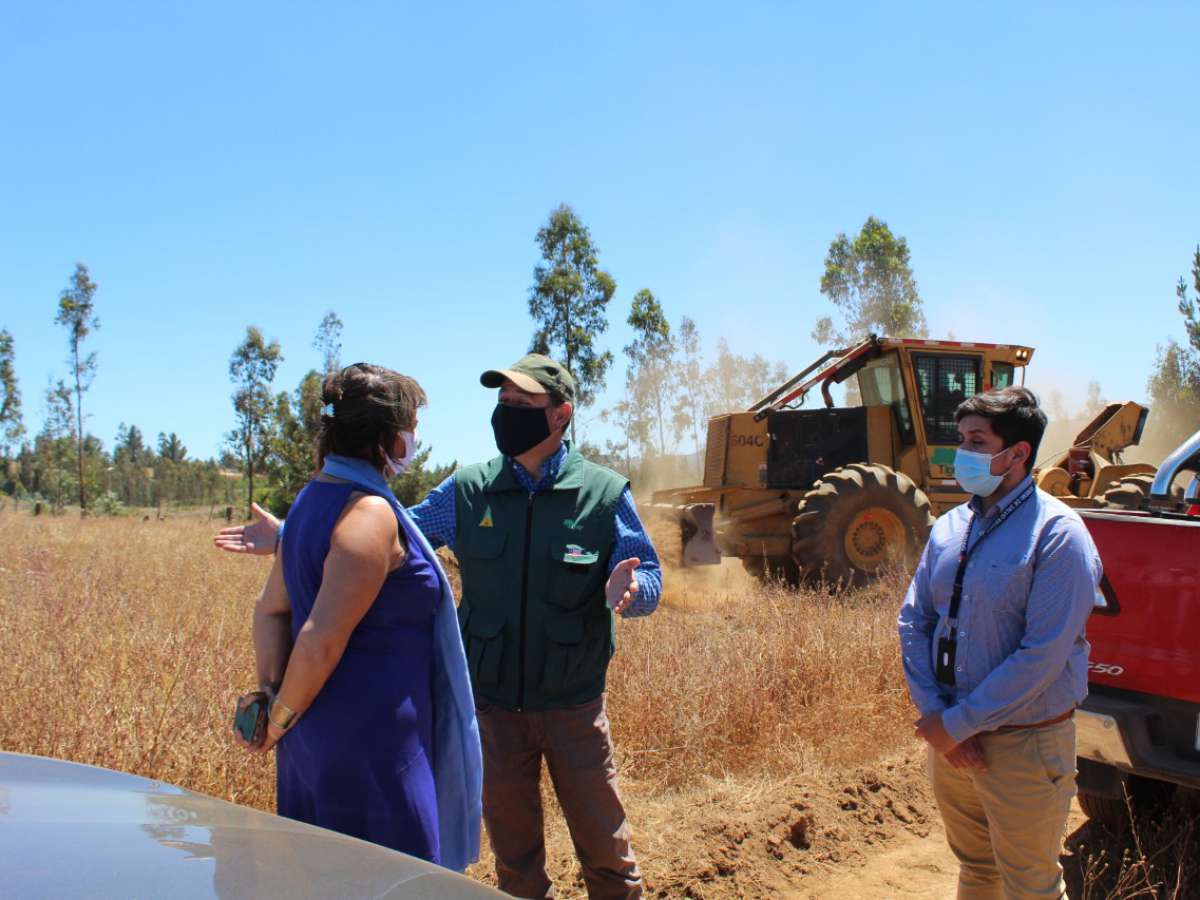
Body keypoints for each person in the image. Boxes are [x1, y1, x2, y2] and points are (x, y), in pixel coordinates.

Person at [217, 352, 662, 899]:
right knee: (515, 864)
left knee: (607, 855)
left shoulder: (602, 493)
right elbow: (385, 537)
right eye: (503, 402)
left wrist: (635, 591)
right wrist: (292, 533)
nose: (507, 413)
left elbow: (650, 573)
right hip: (493, 709)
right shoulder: (468, 490)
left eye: (523, 404)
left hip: (573, 707)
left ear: (561, 414)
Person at [232, 363, 481, 872]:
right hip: (374, 750)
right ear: (387, 437)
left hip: (316, 739)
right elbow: (320, 638)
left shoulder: (308, 502)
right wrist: (276, 723)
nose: (413, 441)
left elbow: (270, 609)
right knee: (394, 878)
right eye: (410, 429)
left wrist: (273, 696)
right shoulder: (369, 514)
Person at [897, 386, 1102, 900]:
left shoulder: (1058, 535)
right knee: (977, 872)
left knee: (1030, 886)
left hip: (1025, 745)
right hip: (951, 742)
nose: (961, 454)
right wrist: (937, 713)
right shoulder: (950, 528)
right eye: (961, 439)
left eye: (976, 441)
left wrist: (958, 724)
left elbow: (1043, 655)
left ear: (1018, 453)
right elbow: (914, 621)